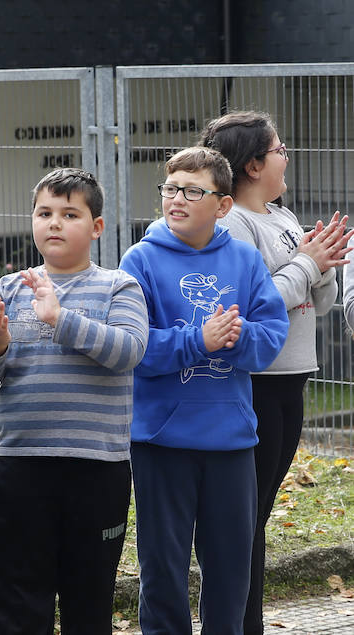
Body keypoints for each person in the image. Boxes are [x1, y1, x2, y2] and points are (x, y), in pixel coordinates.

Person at [0, 168, 149, 633]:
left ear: (97, 226)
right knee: (17, 595)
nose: (55, 223)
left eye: (70, 214)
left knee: (89, 593)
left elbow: (129, 351)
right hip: (22, 464)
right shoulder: (8, 290)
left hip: (97, 468)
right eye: (44, 213)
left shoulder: (119, 286)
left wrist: (60, 318)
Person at [119, 147, 289, 634]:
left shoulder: (244, 259)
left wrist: (236, 336)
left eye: (193, 191)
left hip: (231, 442)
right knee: (162, 567)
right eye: (171, 188)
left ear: (223, 205)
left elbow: (270, 336)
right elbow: (134, 346)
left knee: (232, 570)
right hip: (160, 443)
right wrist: (199, 340)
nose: (177, 199)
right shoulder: (140, 259)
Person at [199, 111, 353, 634]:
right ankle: (238, 622)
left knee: (258, 512)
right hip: (256, 384)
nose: (287, 157)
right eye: (280, 149)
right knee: (245, 517)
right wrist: (307, 263)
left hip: (294, 378)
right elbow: (254, 303)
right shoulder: (234, 224)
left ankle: (247, 621)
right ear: (252, 165)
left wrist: (322, 262)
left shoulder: (282, 217)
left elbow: (319, 301)